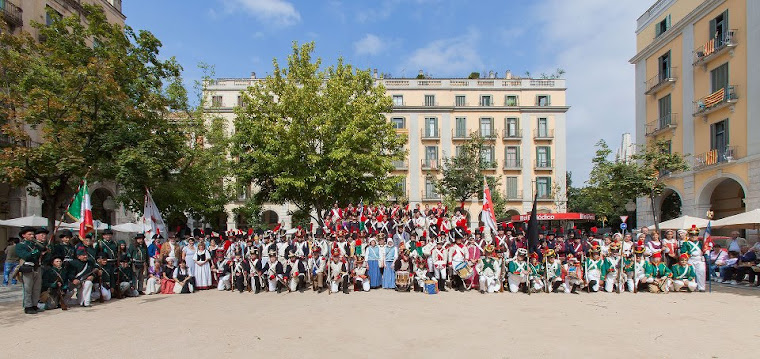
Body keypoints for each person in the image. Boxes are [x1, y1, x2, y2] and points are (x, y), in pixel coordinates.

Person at [15, 227, 46, 314]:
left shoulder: (36, 244)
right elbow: (26, 256)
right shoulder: (20, 245)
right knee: (28, 288)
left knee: (37, 288)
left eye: (33, 234)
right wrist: (36, 251)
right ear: (23, 235)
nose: (32, 236)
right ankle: (28, 306)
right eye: (29, 234)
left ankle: (34, 305)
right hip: (27, 267)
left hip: (37, 267)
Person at [680, 225, 706, 291]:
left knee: (701, 272)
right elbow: (683, 252)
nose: (694, 236)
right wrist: (688, 253)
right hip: (691, 259)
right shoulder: (686, 243)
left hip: (699, 259)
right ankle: (692, 287)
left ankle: (701, 287)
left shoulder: (700, 243)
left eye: (695, 235)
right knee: (692, 273)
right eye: (692, 235)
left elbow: (705, 250)